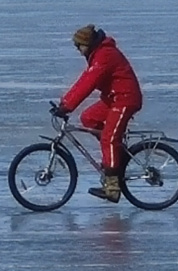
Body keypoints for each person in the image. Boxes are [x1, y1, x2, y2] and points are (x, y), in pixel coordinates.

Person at [53, 24, 143, 203]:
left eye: (79, 46)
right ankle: (116, 157)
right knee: (89, 118)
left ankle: (112, 187)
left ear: (88, 43)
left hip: (125, 99)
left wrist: (67, 107)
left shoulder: (105, 55)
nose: (79, 51)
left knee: (109, 138)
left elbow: (89, 83)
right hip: (113, 99)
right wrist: (64, 103)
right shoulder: (97, 55)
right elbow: (84, 80)